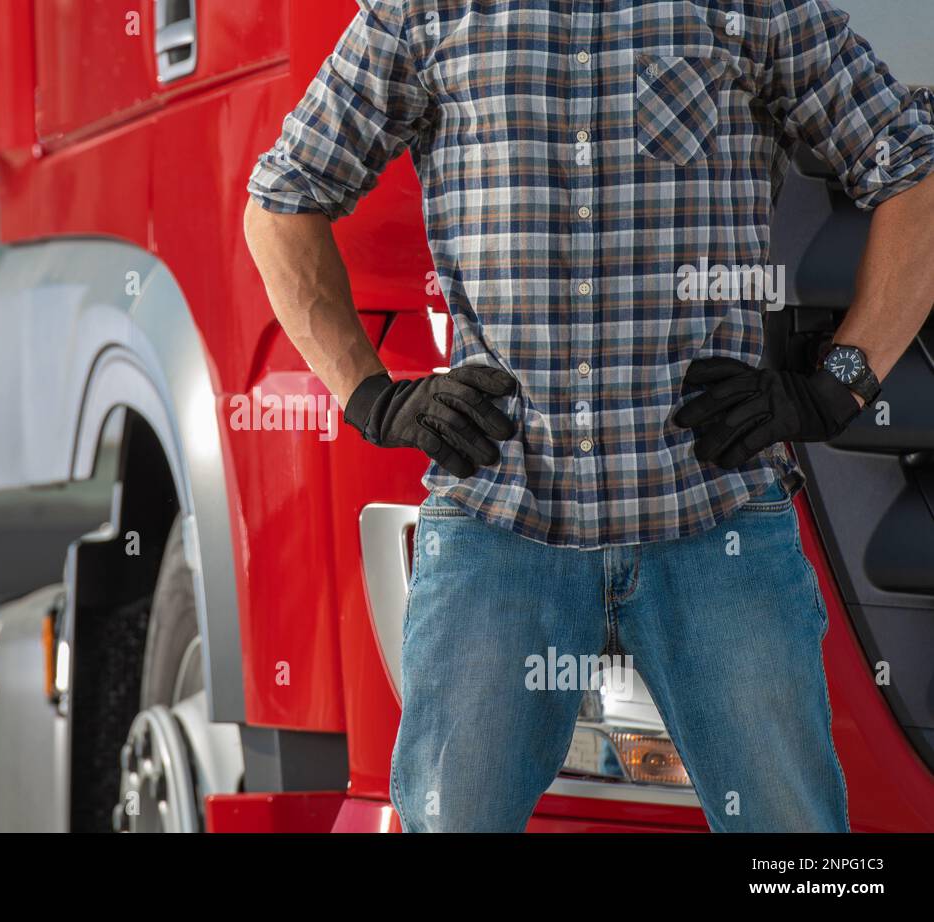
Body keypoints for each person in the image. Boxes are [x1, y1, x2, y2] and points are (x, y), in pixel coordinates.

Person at [243, 0, 934, 831]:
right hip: (500, 523)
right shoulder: (422, 11)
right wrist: (373, 397)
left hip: (714, 522)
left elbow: (915, 170)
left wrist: (838, 383)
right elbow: (282, 200)